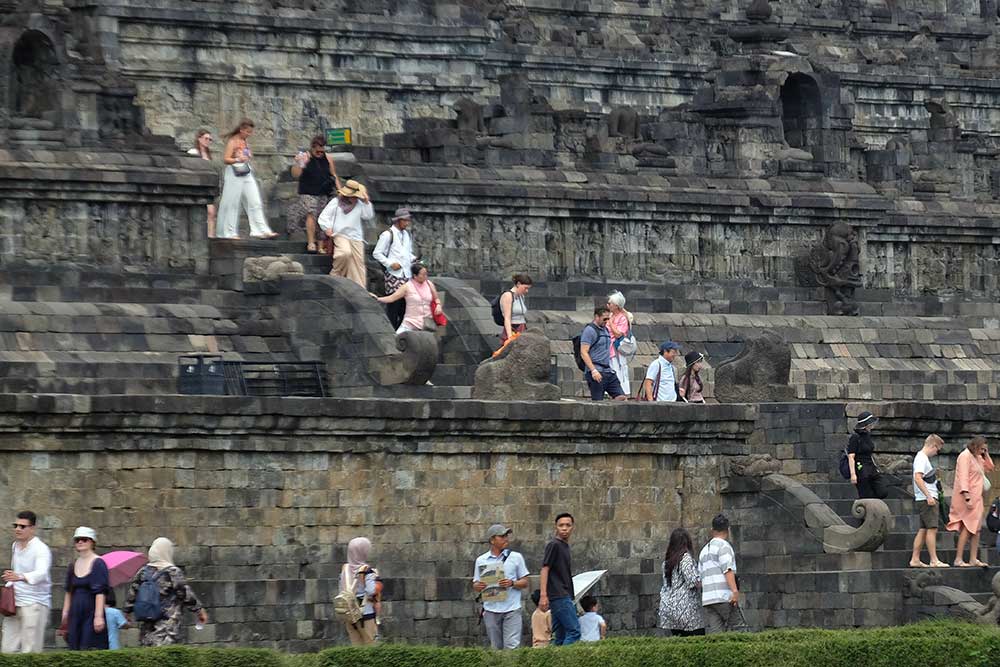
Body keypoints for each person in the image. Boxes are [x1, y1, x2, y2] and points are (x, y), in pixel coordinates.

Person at [124, 537, 208, 646]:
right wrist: (199, 611)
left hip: (147, 626)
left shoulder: (143, 571)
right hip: (167, 626)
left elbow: (132, 594)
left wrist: (127, 613)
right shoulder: (172, 572)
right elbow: (186, 595)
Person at [216, 118, 277, 240]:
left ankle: (260, 229)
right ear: (241, 130)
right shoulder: (232, 141)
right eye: (247, 131)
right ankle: (229, 232)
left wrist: (247, 155)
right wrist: (238, 159)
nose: (249, 134)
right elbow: (226, 159)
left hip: (245, 171)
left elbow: (246, 154)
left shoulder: (244, 141)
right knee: (233, 203)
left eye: (250, 132)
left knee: (255, 201)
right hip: (234, 172)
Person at [471, 524, 530, 650]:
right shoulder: (481, 560)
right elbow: (475, 584)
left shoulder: (516, 557)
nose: (506, 539)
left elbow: (525, 582)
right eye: (502, 536)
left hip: (512, 608)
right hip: (491, 609)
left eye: (506, 536)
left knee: (512, 646)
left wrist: (512, 583)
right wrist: (479, 586)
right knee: (495, 647)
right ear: (492, 540)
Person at [1, 511, 51, 654]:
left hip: (35, 603)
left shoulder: (41, 549)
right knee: (6, 649)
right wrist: (11, 577)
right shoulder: (15, 546)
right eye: (15, 525)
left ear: (32, 528)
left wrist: (20, 576)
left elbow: (41, 573)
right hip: (15, 602)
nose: (17, 529)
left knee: (30, 650)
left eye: (22, 526)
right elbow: (16, 571)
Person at [948, 436, 995, 567]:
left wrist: (986, 454)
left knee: (977, 528)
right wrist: (967, 496)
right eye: (981, 448)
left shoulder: (979, 457)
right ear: (975, 446)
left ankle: (973, 558)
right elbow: (962, 476)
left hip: (977, 497)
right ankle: (958, 558)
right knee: (968, 527)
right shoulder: (965, 456)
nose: (982, 451)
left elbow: (990, 467)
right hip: (967, 497)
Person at [318, 180, 375, 288]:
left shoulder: (360, 204)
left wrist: (367, 202)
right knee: (344, 253)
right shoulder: (336, 202)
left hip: (356, 237)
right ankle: (335, 275)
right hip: (340, 234)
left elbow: (368, 216)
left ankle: (358, 288)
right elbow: (324, 217)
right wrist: (327, 228)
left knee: (358, 265)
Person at [61, 526, 109, 650]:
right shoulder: (73, 564)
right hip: (75, 612)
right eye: (77, 540)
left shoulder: (98, 563)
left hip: (91, 611)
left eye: (84, 539)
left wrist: (98, 617)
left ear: (92, 542)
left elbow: (100, 592)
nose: (80, 542)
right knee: (74, 647)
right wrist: (65, 614)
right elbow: (68, 591)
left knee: (89, 646)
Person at [373, 208, 418, 331]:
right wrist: (390, 263)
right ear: (398, 220)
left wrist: (414, 259)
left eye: (408, 220)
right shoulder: (388, 234)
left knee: (405, 307)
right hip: (394, 275)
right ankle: (391, 332)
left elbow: (407, 253)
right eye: (405, 220)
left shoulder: (406, 235)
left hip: (406, 275)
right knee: (394, 306)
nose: (407, 223)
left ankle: (401, 332)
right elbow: (377, 253)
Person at [539, 513, 579, 645]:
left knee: (560, 636)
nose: (564, 528)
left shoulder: (564, 546)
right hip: (559, 595)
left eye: (568, 525)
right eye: (561, 525)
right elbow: (545, 569)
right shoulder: (554, 545)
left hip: (562, 595)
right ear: (556, 527)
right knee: (574, 632)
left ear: (573, 527)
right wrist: (543, 595)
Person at [658, 527, 704, 636]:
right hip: (685, 609)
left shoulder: (666, 562)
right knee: (698, 640)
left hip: (668, 609)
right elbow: (692, 581)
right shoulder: (685, 558)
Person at [373, 264, 443, 334]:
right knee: (398, 339)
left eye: (426, 274)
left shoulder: (429, 284)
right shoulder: (407, 287)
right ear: (415, 276)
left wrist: (438, 305)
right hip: (411, 322)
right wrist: (378, 299)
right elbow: (392, 298)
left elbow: (436, 298)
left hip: (427, 322)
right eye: (423, 274)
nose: (426, 276)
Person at [699, 514, 739, 635]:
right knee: (738, 629)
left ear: (712, 530)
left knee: (717, 636)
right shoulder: (724, 546)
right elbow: (728, 570)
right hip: (724, 596)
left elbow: (700, 577)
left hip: (708, 598)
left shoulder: (704, 550)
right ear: (728, 530)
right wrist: (735, 591)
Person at [339, 537, 381, 645]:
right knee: (371, 645)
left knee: (356, 646)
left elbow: (341, 589)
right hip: (365, 613)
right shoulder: (366, 570)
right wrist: (378, 584)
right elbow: (371, 591)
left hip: (349, 614)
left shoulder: (345, 569)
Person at [580, 307, 627, 401]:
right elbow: (583, 352)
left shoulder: (605, 329)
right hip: (596, 370)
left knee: (621, 397)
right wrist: (593, 370)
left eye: (608, 318)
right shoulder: (590, 330)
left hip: (608, 370)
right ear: (597, 317)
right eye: (604, 319)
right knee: (598, 401)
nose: (606, 321)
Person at [186, 129, 217, 238]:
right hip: (197, 186)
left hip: (207, 186)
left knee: (211, 212)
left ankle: (211, 235)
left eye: (210, 139)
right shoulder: (193, 152)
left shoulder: (208, 155)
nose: (208, 141)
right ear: (199, 139)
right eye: (206, 138)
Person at [848, 412, 883, 499]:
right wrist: (853, 474)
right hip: (860, 467)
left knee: (882, 491)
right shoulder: (855, 437)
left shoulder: (867, 436)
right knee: (866, 493)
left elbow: (870, 453)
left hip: (870, 466)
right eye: (870, 424)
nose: (872, 426)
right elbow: (851, 456)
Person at [606, 291, 634, 395]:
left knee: (618, 369)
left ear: (616, 306)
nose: (608, 305)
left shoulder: (622, 318)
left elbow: (619, 334)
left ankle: (621, 391)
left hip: (617, 348)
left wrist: (611, 323)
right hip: (607, 347)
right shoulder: (610, 315)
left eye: (610, 303)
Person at [499, 274, 533, 343]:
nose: (526, 291)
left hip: (522, 328)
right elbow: (507, 318)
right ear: (518, 284)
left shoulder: (521, 297)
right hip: (512, 328)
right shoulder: (508, 296)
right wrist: (510, 337)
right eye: (525, 288)